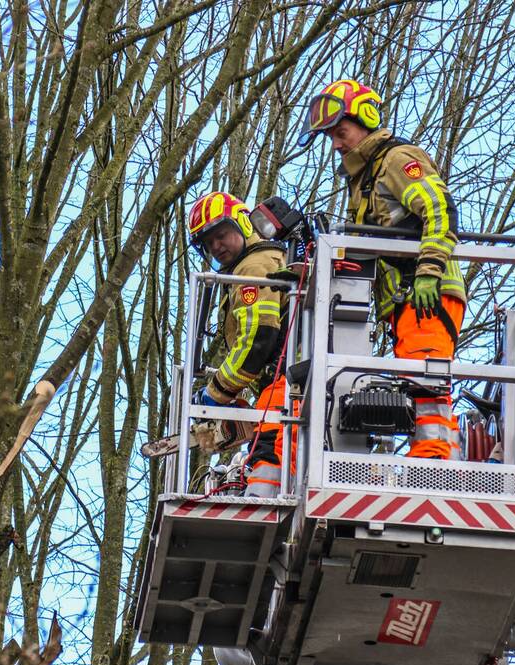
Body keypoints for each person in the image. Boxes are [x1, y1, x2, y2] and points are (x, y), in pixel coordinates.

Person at [298, 79, 467, 459]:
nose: (336, 144)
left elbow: (439, 209)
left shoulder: (395, 160)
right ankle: (438, 451)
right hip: (404, 300)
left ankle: (435, 457)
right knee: (417, 377)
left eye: (341, 133)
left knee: (426, 378)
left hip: (426, 291)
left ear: (367, 120)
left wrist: (428, 271)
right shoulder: (364, 177)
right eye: (331, 137)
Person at [187, 191, 293, 496]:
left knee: (268, 457)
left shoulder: (253, 267)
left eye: (221, 235)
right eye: (209, 243)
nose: (217, 246)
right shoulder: (254, 264)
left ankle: (259, 510)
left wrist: (217, 392)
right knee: (269, 451)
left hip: (282, 382)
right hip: (278, 384)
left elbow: (259, 338)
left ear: (242, 225)